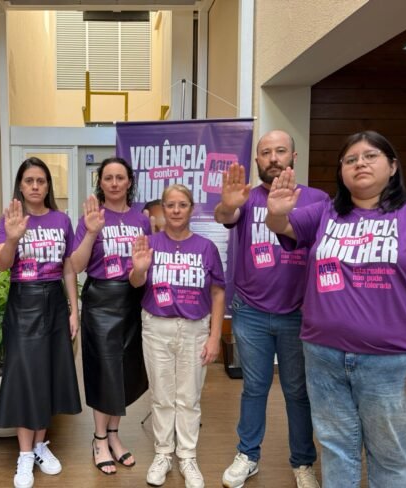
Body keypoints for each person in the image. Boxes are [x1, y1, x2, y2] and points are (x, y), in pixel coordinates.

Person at [266, 130, 406, 488]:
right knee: (335, 449)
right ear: (341, 171)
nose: (360, 163)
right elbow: (284, 226)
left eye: (371, 156)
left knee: (389, 457)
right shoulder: (326, 212)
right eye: (351, 159)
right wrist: (276, 215)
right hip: (323, 355)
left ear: (392, 166)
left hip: (393, 362)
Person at [214, 130, 326, 488]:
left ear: (294, 156)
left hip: (300, 313)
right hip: (251, 311)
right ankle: (248, 455)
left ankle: (303, 462)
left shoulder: (318, 199)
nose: (273, 158)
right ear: (257, 160)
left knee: (297, 391)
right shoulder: (245, 197)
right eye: (265, 152)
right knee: (254, 388)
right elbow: (224, 215)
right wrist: (227, 204)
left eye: (280, 151)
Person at [0, 157, 82, 488]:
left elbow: (68, 267)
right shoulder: (11, 218)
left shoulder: (61, 219)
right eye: (29, 180)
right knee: (25, 377)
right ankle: (24, 454)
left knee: (48, 374)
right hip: (23, 301)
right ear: (20, 184)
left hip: (55, 302)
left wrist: (74, 309)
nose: (35, 186)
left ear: (48, 186)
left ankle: (40, 445)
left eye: (41, 181)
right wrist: (13, 238)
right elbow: (2, 264)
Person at [130, 184, 225, 488]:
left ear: (191, 209)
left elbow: (218, 292)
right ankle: (163, 454)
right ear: (163, 208)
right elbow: (135, 283)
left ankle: (187, 456)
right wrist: (139, 269)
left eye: (182, 205)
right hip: (157, 328)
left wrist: (214, 336)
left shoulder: (206, 248)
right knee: (161, 397)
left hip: (195, 330)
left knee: (188, 398)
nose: (175, 210)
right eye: (170, 205)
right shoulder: (150, 243)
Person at [70, 157, 150, 475]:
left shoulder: (142, 219)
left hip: (131, 299)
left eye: (120, 177)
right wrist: (91, 233)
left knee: (124, 370)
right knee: (104, 371)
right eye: (108, 178)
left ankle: (114, 435)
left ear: (129, 181)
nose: (114, 183)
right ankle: (99, 439)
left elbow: (143, 267)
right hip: (100, 300)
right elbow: (76, 265)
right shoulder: (90, 217)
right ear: (100, 183)